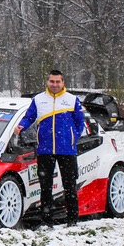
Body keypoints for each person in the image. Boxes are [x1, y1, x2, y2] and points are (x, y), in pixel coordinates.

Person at [14, 70, 88, 226]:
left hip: (67, 150)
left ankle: (72, 220)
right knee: (45, 186)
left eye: (57, 82)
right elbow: (30, 117)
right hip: (45, 149)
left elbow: (79, 123)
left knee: (69, 185)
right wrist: (22, 125)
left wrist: (73, 137)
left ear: (63, 83)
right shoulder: (39, 99)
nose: (55, 85)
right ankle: (47, 221)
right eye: (52, 82)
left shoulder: (72, 100)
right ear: (47, 82)